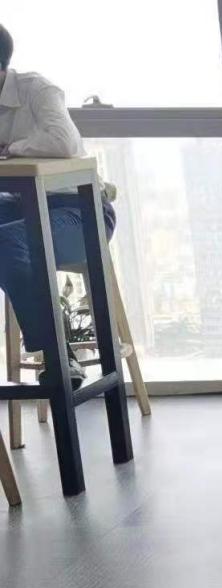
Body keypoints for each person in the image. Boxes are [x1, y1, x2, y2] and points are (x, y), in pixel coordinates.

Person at [0, 23, 117, 387]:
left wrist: (9, 149)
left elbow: (62, 142)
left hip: (80, 213)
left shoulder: (35, 89)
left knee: (5, 242)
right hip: (18, 209)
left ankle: (58, 355)